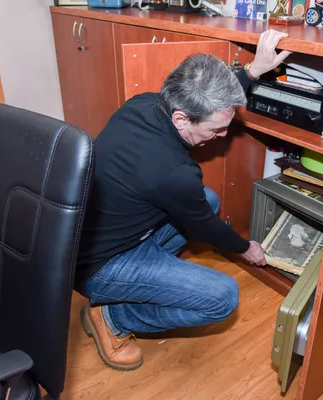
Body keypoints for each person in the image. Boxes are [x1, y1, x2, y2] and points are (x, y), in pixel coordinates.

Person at [76, 30, 292, 371]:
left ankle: (148, 280)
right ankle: (114, 315)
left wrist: (253, 70)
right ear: (181, 118)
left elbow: (206, 104)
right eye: (216, 129)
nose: (223, 135)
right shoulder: (174, 172)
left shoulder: (143, 103)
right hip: (100, 266)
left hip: (94, 237)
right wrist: (245, 247)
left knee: (208, 199)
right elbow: (205, 226)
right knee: (223, 298)